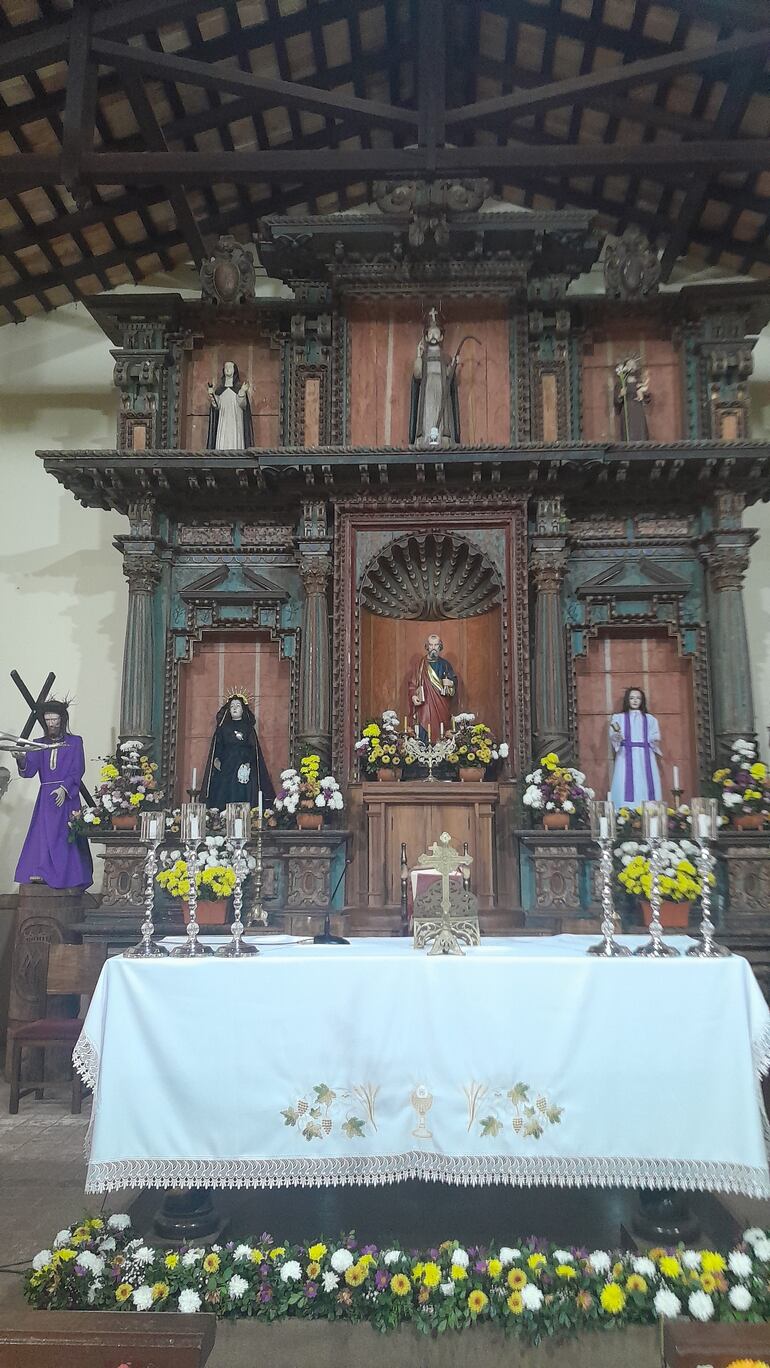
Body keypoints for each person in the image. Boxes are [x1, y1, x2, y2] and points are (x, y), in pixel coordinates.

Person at [13, 701, 93, 889]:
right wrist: (21, 759)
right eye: (47, 719)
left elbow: (77, 769)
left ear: (62, 720)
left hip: (67, 797)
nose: (51, 723)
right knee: (43, 835)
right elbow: (29, 771)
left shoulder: (75, 742)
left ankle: (68, 876)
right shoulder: (38, 744)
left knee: (65, 835)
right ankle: (41, 872)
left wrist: (64, 789)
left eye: (54, 719)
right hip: (46, 797)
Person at [201, 693, 275, 810]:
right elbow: (218, 745)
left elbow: (253, 748)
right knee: (225, 788)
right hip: (226, 764)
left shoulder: (248, 728)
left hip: (243, 763)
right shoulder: (223, 728)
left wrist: (247, 763)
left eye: (238, 706)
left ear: (243, 710)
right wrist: (216, 759)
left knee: (242, 788)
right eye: (232, 706)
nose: (235, 708)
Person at [409, 308, 460, 447]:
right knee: (428, 414)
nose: (433, 335)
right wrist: (418, 356)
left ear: (441, 336)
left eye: (436, 332)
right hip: (427, 391)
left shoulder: (445, 358)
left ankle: (443, 438)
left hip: (441, 389)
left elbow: (449, 376)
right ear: (425, 336)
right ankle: (425, 438)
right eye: (430, 332)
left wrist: (454, 364)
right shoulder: (424, 358)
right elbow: (417, 374)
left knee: (441, 414)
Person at [609, 686, 662, 807]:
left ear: (642, 700)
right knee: (624, 782)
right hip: (625, 755)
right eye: (632, 698)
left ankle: (650, 810)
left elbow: (655, 735)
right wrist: (617, 736)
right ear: (627, 700)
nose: (635, 700)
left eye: (638, 698)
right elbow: (613, 735)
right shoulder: (619, 718)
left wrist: (654, 740)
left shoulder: (650, 719)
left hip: (645, 755)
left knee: (646, 782)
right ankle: (624, 811)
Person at [409, 635, 457, 741]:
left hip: (441, 705)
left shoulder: (445, 665)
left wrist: (450, 683)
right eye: (431, 645)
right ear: (427, 646)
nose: (433, 647)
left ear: (440, 646)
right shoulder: (420, 665)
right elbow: (412, 684)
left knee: (441, 730)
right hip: (424, 706)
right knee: (423, 730)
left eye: (436, 645)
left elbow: (453, 683)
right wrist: (413, 696)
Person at [206, 361, 254, 449]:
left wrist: (242, 392)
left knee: (236, 441)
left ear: (234, 370)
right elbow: (217, 405)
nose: (227, 369)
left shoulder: (239, 389)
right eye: (226, 367)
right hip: (223, 421)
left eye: (230, 367)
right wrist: (212, 394)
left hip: (236, 421)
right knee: (222, 441)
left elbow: (243, 405)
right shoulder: (219, 390)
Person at [614, 357, 651, 440]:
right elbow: (616, 401)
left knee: (640, 431)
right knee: (628, 432)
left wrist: (643, 394)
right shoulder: (620, 383)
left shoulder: (640, 382)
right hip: (627, 408)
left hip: (638, 409)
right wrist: (620, 395)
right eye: (629, 364)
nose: (631, 366)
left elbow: (647, 398)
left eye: (633, 364)